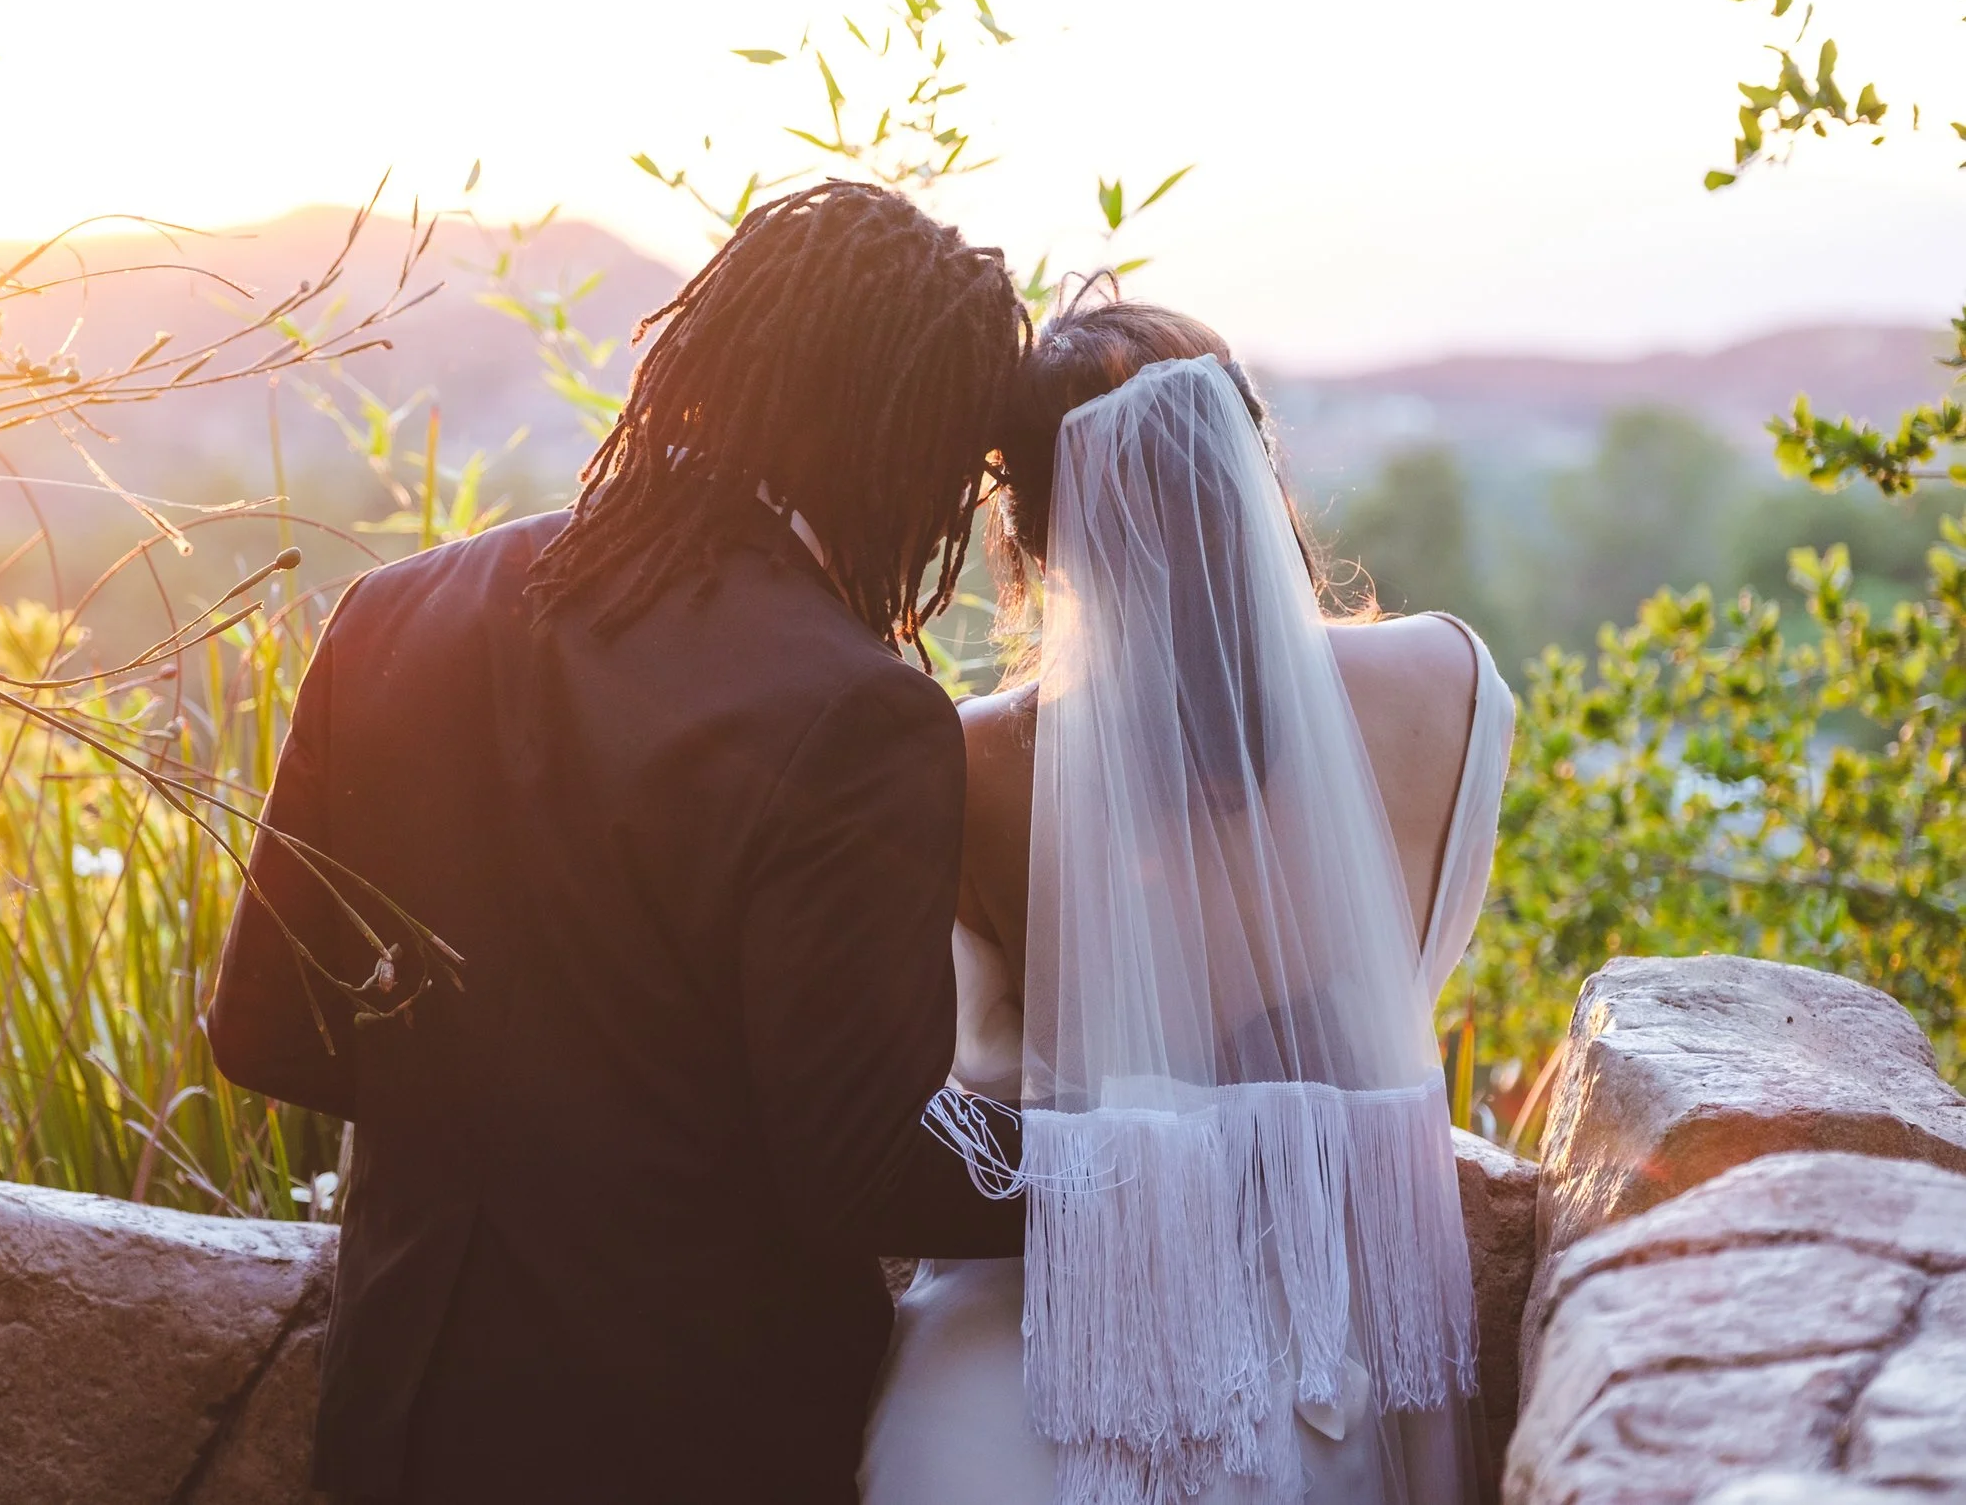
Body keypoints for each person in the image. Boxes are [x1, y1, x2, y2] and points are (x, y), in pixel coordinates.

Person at [208, 182, 1034, 1504]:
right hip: (688, 1440)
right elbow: (864, 1159)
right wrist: (1127, 1171)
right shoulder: (858, 712)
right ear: (906, 442)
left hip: (399, 1418)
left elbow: (263, 1029)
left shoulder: (391, 611)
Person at [863, 287, 1516, 1505]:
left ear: (1035, 532)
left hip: (1054, 1345)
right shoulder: (1451, 683)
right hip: (1347, 1342)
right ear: (1251, 453)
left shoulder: (975, 761)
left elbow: (964, 1078)